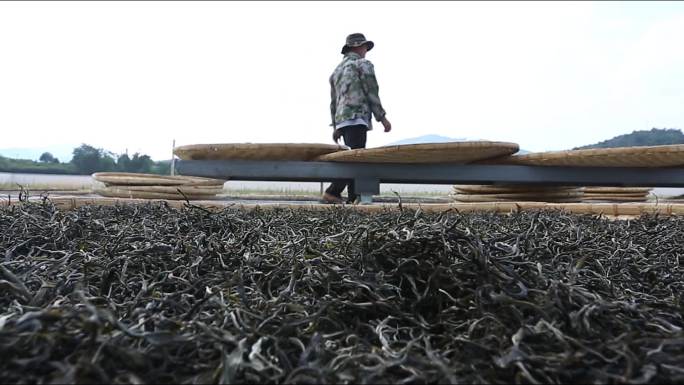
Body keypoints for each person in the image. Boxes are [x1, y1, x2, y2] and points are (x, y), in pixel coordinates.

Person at [323, 33, 392, 204]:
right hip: (357, 117)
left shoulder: (336, 71)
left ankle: (354, 198)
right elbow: (371, 91)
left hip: (342, 120)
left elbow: (334, 101)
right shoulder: (363, 64)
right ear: (358, 47)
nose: (366, 51)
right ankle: (333, 191)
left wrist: (336, 126)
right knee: (356, 160)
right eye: (364, 47)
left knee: (354, 156)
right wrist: (382, 117)